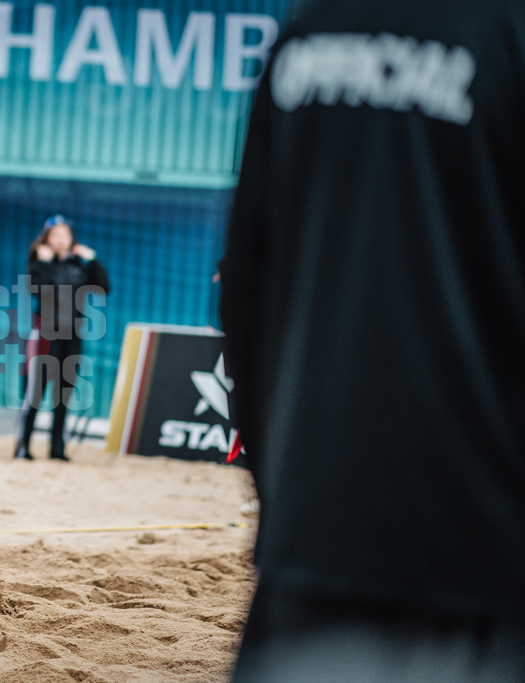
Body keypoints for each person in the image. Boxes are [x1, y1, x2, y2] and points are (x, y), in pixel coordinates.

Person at [219, 0, 525, 680]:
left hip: (318, 529)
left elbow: (244, 285)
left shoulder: (309, 29)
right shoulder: (508, 30)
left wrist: (288, 488)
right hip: (483, 538)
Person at [14, 215, 109, 461]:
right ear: (46, 240)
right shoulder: (38, 264)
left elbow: (104, 286)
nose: (60, 240)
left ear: (71, 239)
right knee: (35, 394)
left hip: (72, 337)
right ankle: (23, 447)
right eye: (55, 235)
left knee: (63, 396)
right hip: (45, 336)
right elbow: (36, 288)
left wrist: (92, 258)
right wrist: (43, 263)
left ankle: (58, 450)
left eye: (64, 235)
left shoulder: (79, 266)